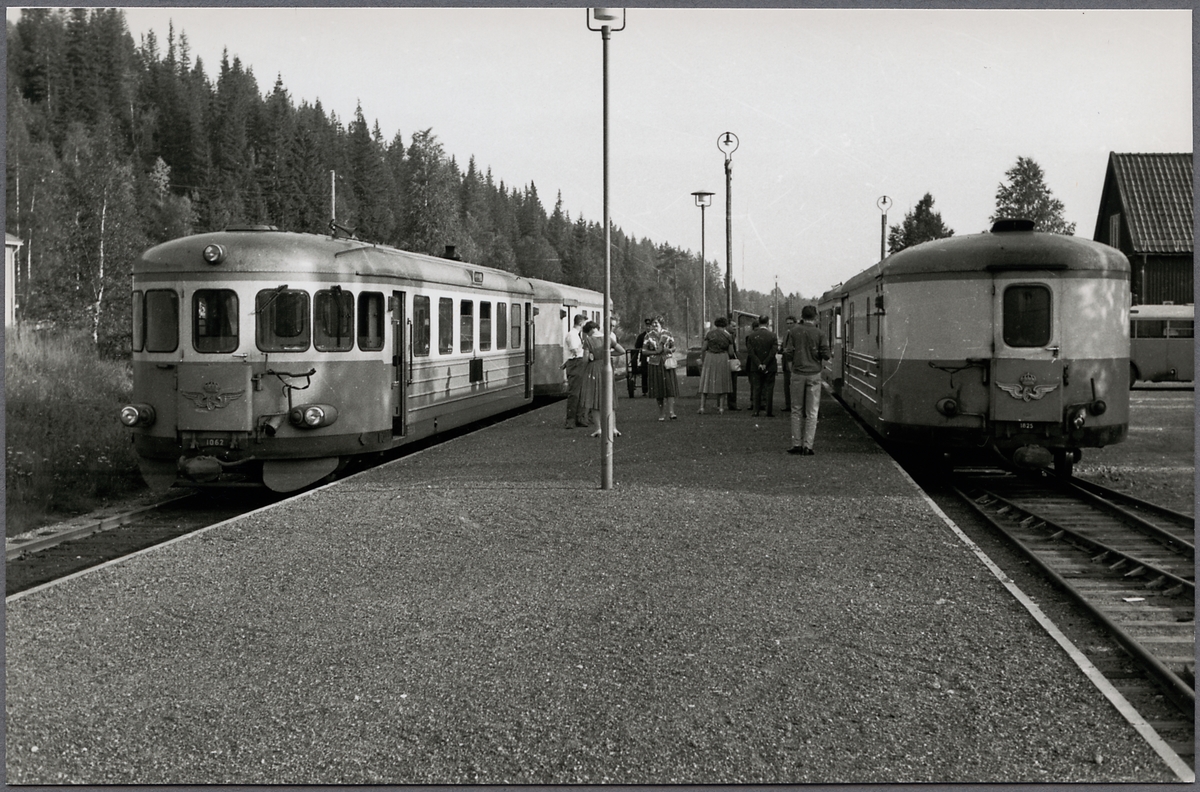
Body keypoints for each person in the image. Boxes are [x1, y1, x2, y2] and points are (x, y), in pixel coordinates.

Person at [782, 305, 830, 455]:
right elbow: (826, 354)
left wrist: (791, 367)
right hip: (814, 374)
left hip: (797, 373)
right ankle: (808, 446)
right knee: (812, 411)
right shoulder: (820, 333)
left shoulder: (793, 332)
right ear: (815, 317)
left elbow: (788, 352)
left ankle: (796, 443)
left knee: (796, 409)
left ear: (802, 316)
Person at [581, 320, 626, 437]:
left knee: (595, 400)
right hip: (607, 366)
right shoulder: (608, 338)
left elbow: (585, 359)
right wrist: (609, 354)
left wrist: (584, 366)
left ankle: (599, 429)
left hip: (594, 368)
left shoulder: (588, 340)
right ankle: (613, 428)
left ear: (590, 330)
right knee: (609, 398)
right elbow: (622, 351)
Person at [642, 316, 679, 421]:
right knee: (658, 389)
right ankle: (661, 413)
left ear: (661, 323)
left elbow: (674, 346)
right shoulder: (648, 336)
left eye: (656, 323)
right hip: (655, 363)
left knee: (669, 387)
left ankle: (671, 412)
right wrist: (654, 352)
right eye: (653, 323)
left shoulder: (667, 334)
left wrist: (670, 350)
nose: (654, 325)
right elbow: (644, 351)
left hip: (667, 363)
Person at [697, 316, 735, 414]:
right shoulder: (728, 336)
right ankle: (721, 408)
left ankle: (702, 407)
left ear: (715, 324)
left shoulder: (709, 334)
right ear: (725, 325)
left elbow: (704, 348)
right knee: (721, 382)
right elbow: (731, 352)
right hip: (723, 358)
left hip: (710, 357)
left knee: (706, 381)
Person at [745, 314, 779, 417]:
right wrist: (765, 363)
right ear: (768, 323)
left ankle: (756, 410)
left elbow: (751, 352)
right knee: (769, 388)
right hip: (770, 366)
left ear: (759, 323)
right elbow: (773, 352)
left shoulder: (751, 336)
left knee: (756, 388)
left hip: (755, 366)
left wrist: (759, 363)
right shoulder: (773, 336)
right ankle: (769, 410)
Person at [562, 314, 590, 429]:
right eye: (584, 323)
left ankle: (579, 418)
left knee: (581, 392)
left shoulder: (575, 335)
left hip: (578, 363)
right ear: (581, 323)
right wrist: (586, 348)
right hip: (576, 363)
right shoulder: (573, 335)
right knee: (574, 393)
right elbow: (575, 351)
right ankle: (571, 420)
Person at [780, 315, 797, 412]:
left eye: (791, 323)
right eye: (788, 324)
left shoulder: (797, 333)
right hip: (786, 362)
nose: (789, 325)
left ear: (795, 323)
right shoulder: (786, 333)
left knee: (794, 385)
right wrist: (783, 349)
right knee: (786, 385)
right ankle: (788, 405)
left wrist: (789, 350)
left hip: (794, 362)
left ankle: (794, 405)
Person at [633, 318, 653, 397]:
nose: (648, 327)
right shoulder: (641, 336)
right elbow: (637, 347)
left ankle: (653, 390)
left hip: (653, 356)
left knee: (653, 373)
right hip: (644, 357)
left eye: (649, 326)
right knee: (644, 373)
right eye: (647, 326)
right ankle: (645, 391)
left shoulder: (655, 335)